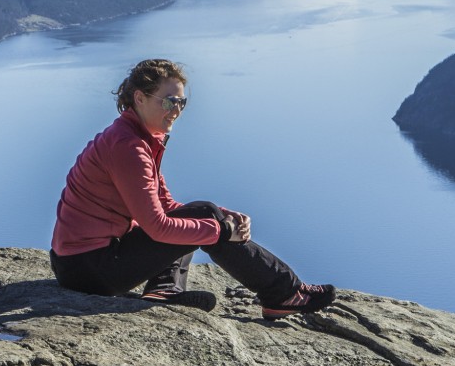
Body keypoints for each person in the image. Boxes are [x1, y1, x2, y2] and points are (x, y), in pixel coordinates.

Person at [50, 58, 335, 319]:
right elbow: (157, 227)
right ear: (140, 98)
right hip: (89, 269)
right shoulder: (129, 148)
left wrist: (224, 216)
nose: (176, 110)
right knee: (203, 219)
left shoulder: (138, 138)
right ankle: (284, 293)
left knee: (203, 212)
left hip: (83, 261)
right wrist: (221, 231)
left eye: (182, 103)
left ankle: (164, 289)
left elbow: (166, 206)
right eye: (169, 101)